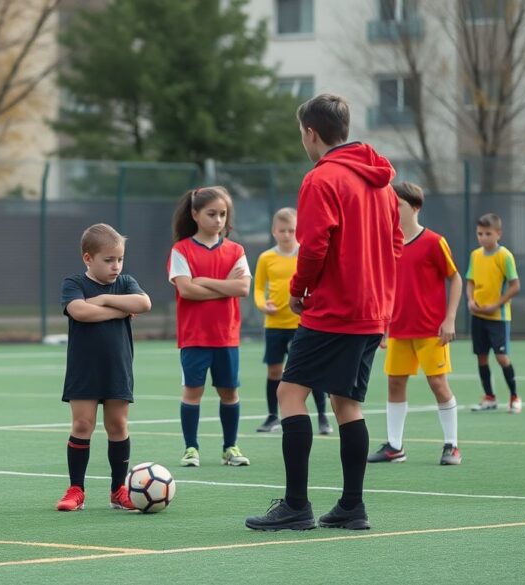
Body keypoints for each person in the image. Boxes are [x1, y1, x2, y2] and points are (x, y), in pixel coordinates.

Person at [245, 94, 402, 532]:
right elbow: (395, 246)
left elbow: (314, 246)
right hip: (372, 310)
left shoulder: (321, 179)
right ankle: (353, 507)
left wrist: (298, 291)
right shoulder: (382, 182)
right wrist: (383, 298)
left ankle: (296, 506)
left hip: (333, 309)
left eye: (301, 132)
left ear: (310, 133)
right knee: (347, 403)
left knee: (289, 395)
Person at [56, 224, 152, 512]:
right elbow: (80, 311)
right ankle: (76, 489)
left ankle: (118, 490)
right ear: (88, 258)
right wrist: (120, 311)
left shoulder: (125, 283)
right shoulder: (73, 284)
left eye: (119, 259)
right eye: (108, 260)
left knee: (117, 425)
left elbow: (144, 303)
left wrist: (106, 299)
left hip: (117, 368)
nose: (116, 266)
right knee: (83, 424)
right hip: (84, 369)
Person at [368, 182, 463, 467]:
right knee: (395, 383)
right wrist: (383, 325)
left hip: (431, 330)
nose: (392, 209)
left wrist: (449, 319)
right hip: (398, 328)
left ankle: (452, 446)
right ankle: (395, 447)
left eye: (397, 204)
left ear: (415, 207)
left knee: (438, 383)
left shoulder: (434, 242)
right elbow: (385, 287)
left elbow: (455, 278)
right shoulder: (387, 244)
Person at [168, 186, 252, 468]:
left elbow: (242, 287)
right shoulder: (180, 250)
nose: (218, 220)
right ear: (195, 214)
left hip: (226, 336)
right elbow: (187, 291)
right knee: (193, 392)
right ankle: (191, 448)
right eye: (211, 214)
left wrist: (202, 280)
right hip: (194, 337)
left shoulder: (236, 250)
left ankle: (230, 448)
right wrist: (222, 285)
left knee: (229, 393)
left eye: (223, 214)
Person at [253, 208, 331, 435]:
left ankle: (323, 418)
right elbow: (258, 288)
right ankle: (272, 417)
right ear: (274, 232)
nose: (287, 234)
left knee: (311, 372)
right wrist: (262, 304)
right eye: (282, 230)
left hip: (303, 325)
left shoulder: (305, 255)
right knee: (274, 371)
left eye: (291, 230)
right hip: (275, 325)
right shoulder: (266, 257)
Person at [467, 213, 522, 413]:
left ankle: (514, 397)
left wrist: (496, 305)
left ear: (498, 233)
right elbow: (470, 281)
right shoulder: (475, 255)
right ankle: (489, 397)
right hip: (478, 316)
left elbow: (515, 285)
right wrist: (471, 300)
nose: (483, 237)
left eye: (488, 233)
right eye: (480, 233)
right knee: (481, 357)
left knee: (501, 358)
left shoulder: (504, 256)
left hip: (498, 317)